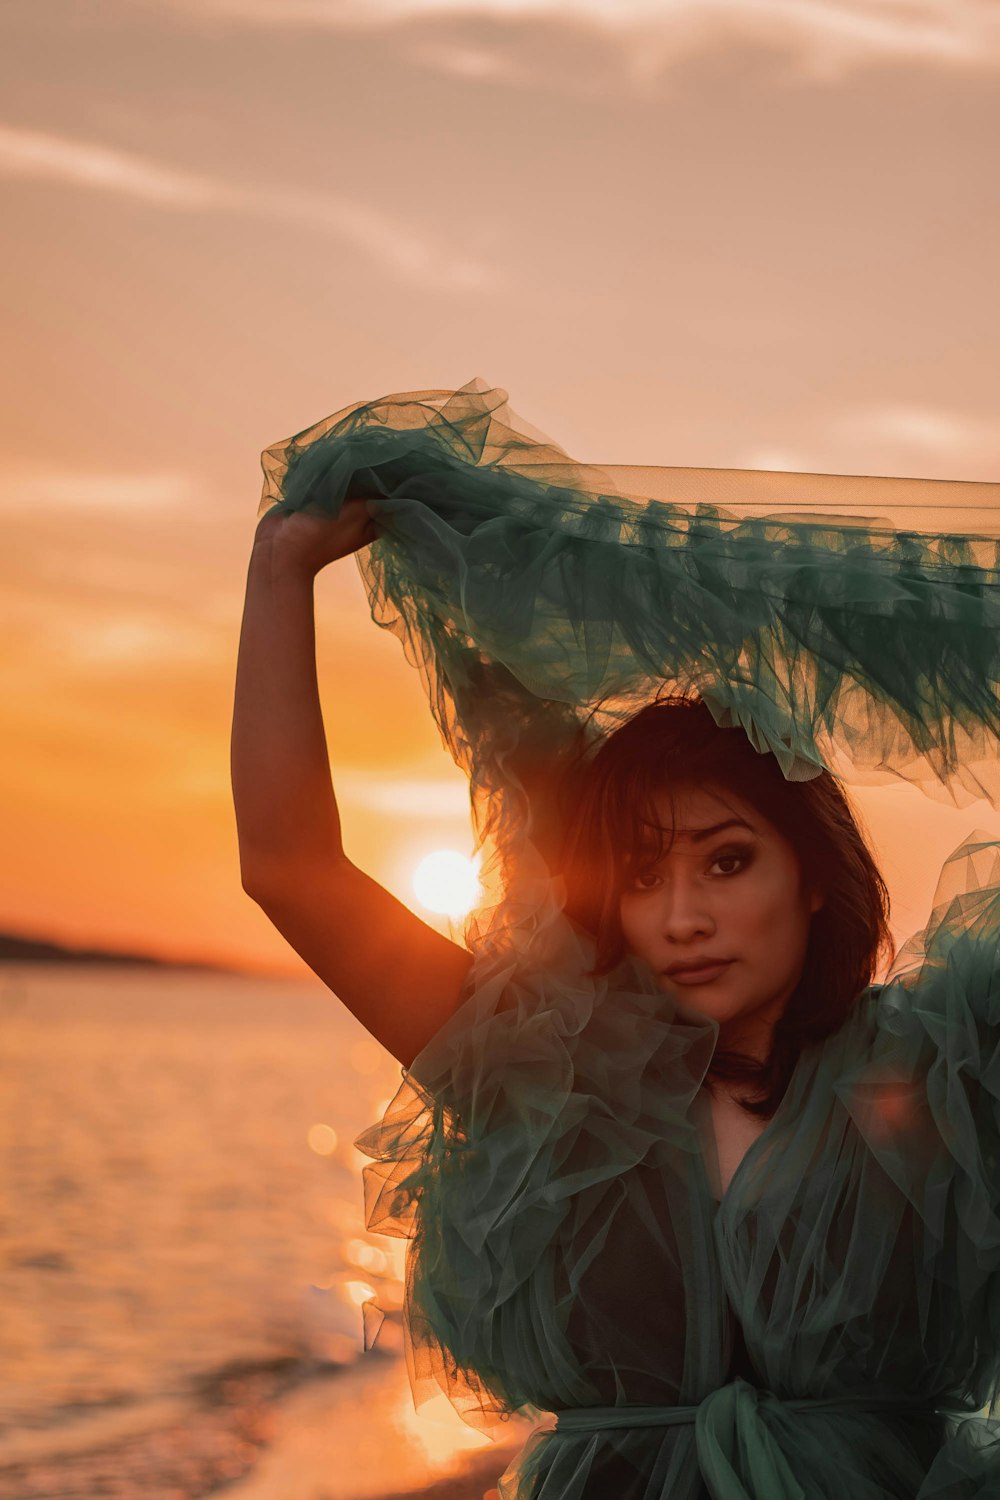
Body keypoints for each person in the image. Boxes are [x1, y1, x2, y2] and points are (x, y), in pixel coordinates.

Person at [232, 380, 1000, 1499]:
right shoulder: (541, 1081)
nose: (682, 916)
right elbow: (290, 870)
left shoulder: (947, 1064)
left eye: (727, 861)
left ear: (815, 877)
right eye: (642, 878)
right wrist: (281, 573)